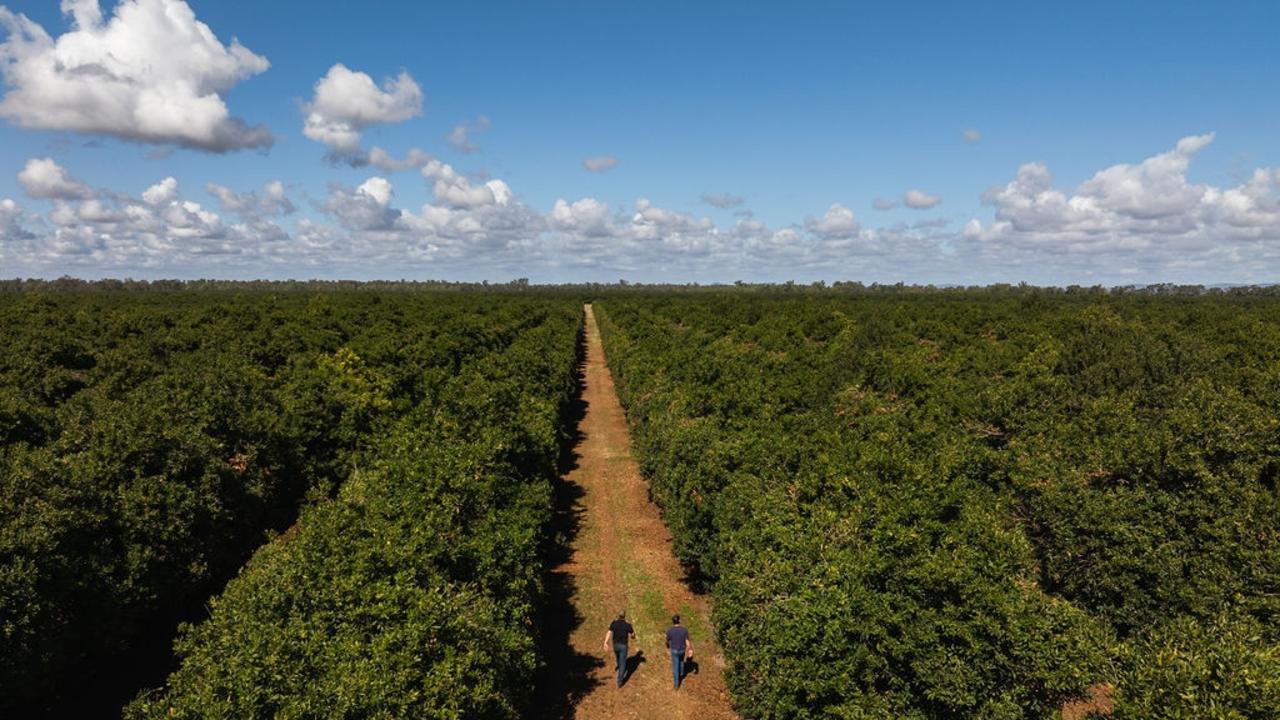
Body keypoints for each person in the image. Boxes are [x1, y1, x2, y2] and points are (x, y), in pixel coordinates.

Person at [603, 612, 635, 688]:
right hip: (623, 646)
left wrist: (605, 642)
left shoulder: (614, 623)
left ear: (619, 616)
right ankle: (620, 681)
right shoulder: (628, 625)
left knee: (618, 658)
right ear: (624, 616)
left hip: (615, 646)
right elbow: (633, 634)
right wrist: (633, 636)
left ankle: (619, 666)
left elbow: (609, 632)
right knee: (623, 662)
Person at [665, 614, 693, 689]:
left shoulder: (670, 631)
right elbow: (687, 641)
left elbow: (667, 640)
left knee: (675, 667)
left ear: (673, 622)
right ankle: (681, 673)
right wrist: (690, 649)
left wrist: (667, 645)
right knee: (681, 662)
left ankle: (676, 685)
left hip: (674, 650)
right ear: (679, 621)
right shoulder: (684, 630)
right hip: (682, 650)